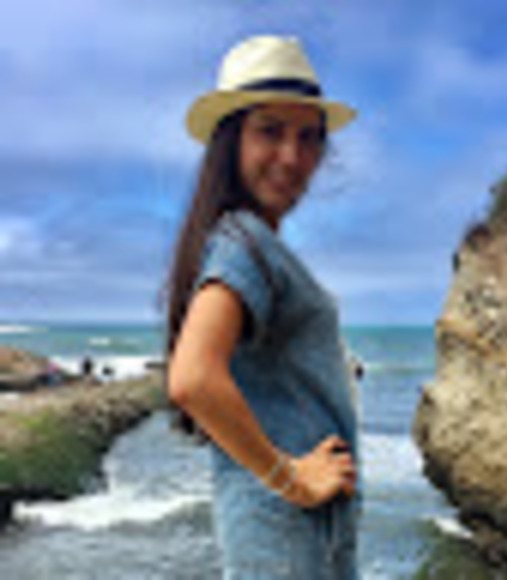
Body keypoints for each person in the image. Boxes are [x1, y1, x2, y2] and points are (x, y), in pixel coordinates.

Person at [166, 35, 361, 579]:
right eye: (270, 131)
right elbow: (193, 378)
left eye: (308, 137)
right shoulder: (242, 240)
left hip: (289, 537)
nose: (292, 157)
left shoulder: (247, 242)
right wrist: (290, 479)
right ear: (231, 141)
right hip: (286, 542)